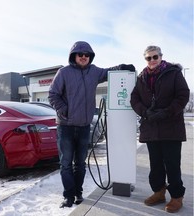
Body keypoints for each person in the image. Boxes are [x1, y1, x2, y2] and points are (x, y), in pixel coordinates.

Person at [48, 41, 135, 208]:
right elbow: (52, 94)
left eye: (86, 55)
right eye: (80, 54)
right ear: (74, 56)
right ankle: (68, 196)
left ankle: (78, 193)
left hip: (84, 127)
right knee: (65, 163)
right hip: (65, 126)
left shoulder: (94, 72)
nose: (83, 57)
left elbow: (110, 72)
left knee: (80, 163)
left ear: (90, 57)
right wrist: (63, 109)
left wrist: (123, 66)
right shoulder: (64, 72)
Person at [130, 45, 190, 213]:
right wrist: (144, 112)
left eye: (155, 57)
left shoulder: (174, 73)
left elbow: (183, 95)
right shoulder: (142, 77)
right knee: (155, 164)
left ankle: (177, 197)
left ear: (161, 57)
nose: (152, 60)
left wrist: (167, 112)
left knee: (172, 164)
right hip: (151, 128)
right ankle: (159, 192)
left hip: (171, 127)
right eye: (148, 58)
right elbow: (134, 98)